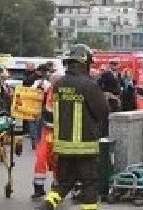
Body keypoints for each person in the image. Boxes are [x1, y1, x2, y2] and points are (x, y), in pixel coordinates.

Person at [40, 44, 109, 210]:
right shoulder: (89, 85)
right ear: (84, 63)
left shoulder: (58, 85)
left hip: (63, 145)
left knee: (63, 183)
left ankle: (46, 206)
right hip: (85, 146)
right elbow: (103, 112)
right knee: (89, 184)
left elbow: (49, 114)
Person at [32, 66, 58, 200]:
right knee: (41, 157)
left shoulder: (62, 93)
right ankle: (38, 188)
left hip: (58, 132)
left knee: (56, 160)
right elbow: (35, 99)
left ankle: (57, 185)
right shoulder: (47, 90)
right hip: (46, 129)